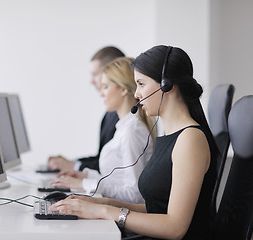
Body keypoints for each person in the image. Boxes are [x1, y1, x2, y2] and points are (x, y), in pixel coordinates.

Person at [49, 45, 218, 240]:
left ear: (166, 85)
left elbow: (175, 227)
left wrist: (107, 212)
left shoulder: (190, 140)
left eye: (141, 84)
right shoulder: (171, 135)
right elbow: (156, 208)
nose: (136, 94)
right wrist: (102, 204)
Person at [51, 57, 154, 203]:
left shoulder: (132, 131)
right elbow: (116, 180)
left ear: (123, 89)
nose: (101, 93)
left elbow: (134, 195)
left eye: (105, 87)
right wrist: (86, 176)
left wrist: (84, 184)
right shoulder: (124, 127)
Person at [48, 46, 125, 172]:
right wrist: (70, 163)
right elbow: (101, 159)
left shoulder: (126, 119)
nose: (91, 81)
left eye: (95, 74)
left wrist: (74, 167)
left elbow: (111, 169)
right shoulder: (111, 113)